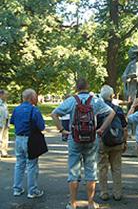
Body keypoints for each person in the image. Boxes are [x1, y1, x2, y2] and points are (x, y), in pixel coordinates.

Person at [51, 78, 115, 209]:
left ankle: (73, 203)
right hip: (92, 139)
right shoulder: (96, 100)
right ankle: (91, 203)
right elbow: (111, 113)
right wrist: (101, 129)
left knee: (73, 171)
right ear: (88, 86)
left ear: (76, 88)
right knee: (91, 170)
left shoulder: (71, 101)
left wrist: (63, 130)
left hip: (74, 138)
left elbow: (54, 114)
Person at [10, 89, 45, 198]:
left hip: (18, 138)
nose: (36, 98)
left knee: (19, 164)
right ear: (31, 98)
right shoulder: (34, 110)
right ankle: (32, 190)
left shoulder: (17, 109)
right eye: (35, 96)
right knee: (32, 165)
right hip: (30, 139)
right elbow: (41, 126)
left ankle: (17, 188)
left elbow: (12, 121)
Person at [98, 85, 128, 201]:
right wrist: (124, 141)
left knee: (102, 168)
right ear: (112, 96)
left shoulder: (98, 109)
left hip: (103, 142)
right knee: (117, 168)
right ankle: (117, 193)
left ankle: (104, 192)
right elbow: (124, 128)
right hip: (117, 142)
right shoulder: (118, 109)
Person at [0, 89, 10, 158]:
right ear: (1, 95)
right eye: (5, 94)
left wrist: (8, 123)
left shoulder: (4, 103)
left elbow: (6, 113)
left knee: (5, 137)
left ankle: (4, 152)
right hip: (0, 122)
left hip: (5, 122)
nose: (7, 96)